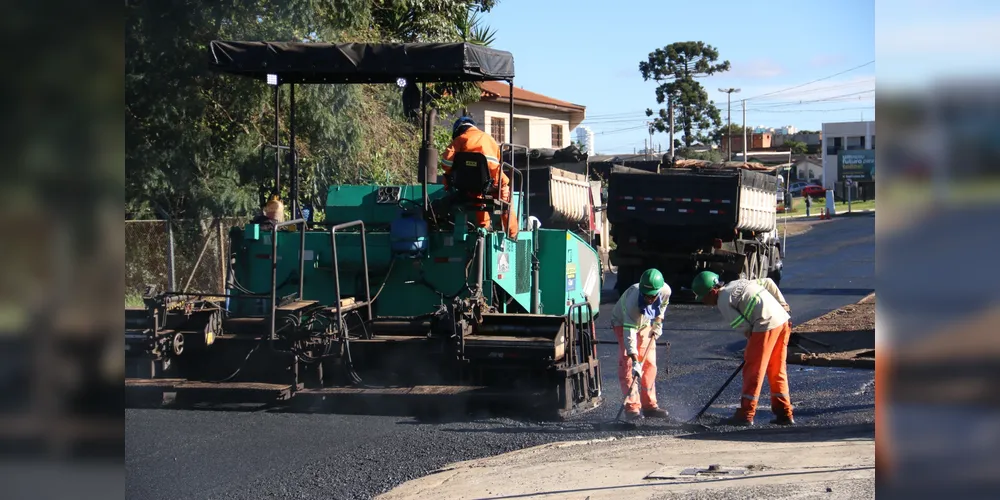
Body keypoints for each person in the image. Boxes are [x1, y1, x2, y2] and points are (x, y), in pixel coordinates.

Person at [692, 270, 795, 426]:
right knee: (777, 369)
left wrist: (754, 348)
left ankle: (746, 415)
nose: (705, 303)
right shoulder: (738, 283)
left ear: (713, 291)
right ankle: (785, 413)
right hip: (783, 321)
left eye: (705, 298)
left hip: (765, 325)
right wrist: (784, 305)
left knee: (753, 371)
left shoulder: (723, 301)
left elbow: (744, 326)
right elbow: (769, 282)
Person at [609, 268, 672, 420]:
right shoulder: (632, 303)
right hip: (623, 322)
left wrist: (658, 323)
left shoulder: (665, 290)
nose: (649, 299)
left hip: (644, 324)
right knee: (628, 365)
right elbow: (629, 335)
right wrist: (635, 359)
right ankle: (632, 408)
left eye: (652, 296)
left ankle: (650, 406)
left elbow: (662, 306)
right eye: (645, 295)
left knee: (649, 363)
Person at [440, 117, 518, 238]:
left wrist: (454, 170)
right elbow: (498, 161)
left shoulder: (460, 139)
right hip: (494, 181)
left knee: (475, 194)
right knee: (505, 199)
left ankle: (484, 226)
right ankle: (512, 234)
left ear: (458, 130)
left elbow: (446, 163)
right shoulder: (490, 139)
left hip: (470, 183)